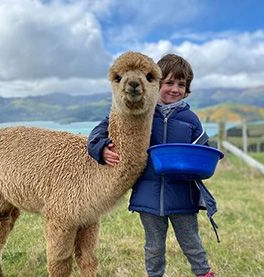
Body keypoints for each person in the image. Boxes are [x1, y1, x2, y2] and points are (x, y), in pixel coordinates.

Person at [88, 54, 216, 277]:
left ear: (187, 89)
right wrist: (101, 148)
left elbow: (203, 146)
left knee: (191, 243)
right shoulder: (141, 113)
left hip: (182, 194)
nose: (174, 89)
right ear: (156, 84)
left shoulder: (190, 119)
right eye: (168, 83)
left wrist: (201, 160)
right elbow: (101, 131)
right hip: (149, 194)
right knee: (154, 248)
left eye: (181, 84)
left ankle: (203, 273)